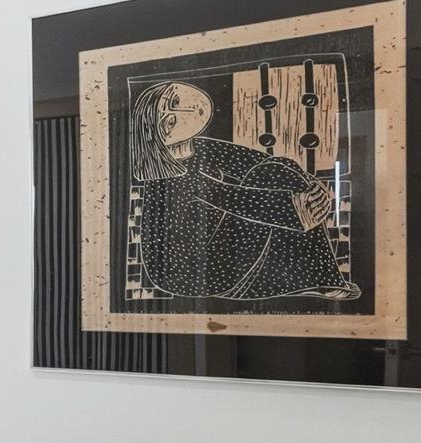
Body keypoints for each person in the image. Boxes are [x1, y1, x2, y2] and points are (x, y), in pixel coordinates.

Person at [127, 79, 357, 301]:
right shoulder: (170, 176)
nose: (194, 102)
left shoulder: (199, 147)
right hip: (187, 275)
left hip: (212, 253)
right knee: (271, 175)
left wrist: (311, 184)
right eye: (177, 104)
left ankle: (318, 278)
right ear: (168, 126)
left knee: (278, 167)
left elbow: (255, 160)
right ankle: (319, 278)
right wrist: (297, 207)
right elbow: (233, 198)